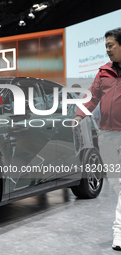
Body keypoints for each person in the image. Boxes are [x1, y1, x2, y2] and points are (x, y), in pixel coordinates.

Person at [74, 27, 121, 250]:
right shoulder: (103, 72)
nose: (107, 50)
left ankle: (118, 233)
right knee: (115, 181)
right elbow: (92, 98)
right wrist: (78, 116)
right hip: (107, 135)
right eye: (106, 47)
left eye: (111, 46)